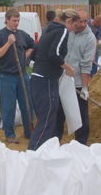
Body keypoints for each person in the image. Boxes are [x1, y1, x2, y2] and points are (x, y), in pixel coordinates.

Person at [27, 9, 80, 151]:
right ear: (69, 21)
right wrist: (66, 67)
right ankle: (33, 154)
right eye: (74, 26)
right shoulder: (62, 31)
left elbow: (34, 53)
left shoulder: (48, 30)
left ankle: (42, 152)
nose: (73, 30)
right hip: (46, 80)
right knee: (47, 121)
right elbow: (54, 54)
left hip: (37, 78)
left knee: (46, 118)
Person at [0, 9, 35, 144]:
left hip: (22, 75)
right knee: (8, 107)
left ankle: (29, 132)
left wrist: (24, 56)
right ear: (7, 20)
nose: (17, 23)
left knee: (27, 104)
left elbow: (32, 46)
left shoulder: (22, 35)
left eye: (18, 20)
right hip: (6, 77)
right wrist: (8, 43)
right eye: (14, 21)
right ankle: (9, 134)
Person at [55, 10, 96, 145]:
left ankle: (81, 146)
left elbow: (86, 65)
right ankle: (54, 144)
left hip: (78, 84)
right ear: (73, 20)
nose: (83, 24)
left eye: (85, 21)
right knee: (58, 115)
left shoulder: (90, 38)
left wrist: (84, 87)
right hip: (61, 81)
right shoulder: (67, 32)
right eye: (80, 21)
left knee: (80, 118)